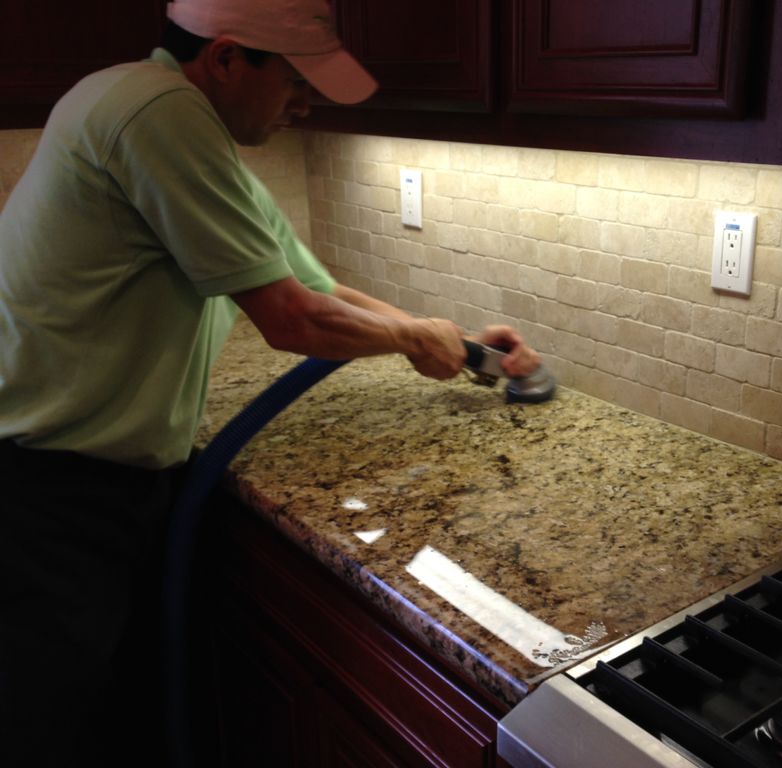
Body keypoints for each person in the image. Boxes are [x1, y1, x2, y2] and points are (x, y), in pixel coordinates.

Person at [0, 0, 539, 764]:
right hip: (47, 488)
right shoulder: (158, 114)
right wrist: (415, 337)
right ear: (225, 59)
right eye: (293, 79)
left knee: (99, 705)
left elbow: (317, 293)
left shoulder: (163, 119)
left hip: (82, 477)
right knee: (43, 723)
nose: (305, 102)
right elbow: (291, 321)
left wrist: (452, 340)